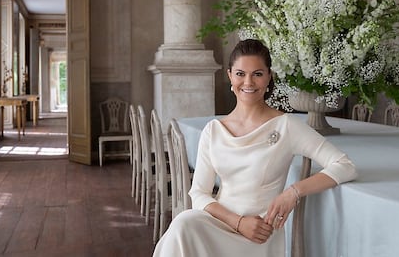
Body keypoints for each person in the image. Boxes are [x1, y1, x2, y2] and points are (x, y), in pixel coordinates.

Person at [153, 39, 357, 257]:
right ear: (230, 75)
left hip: (260, 233)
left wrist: (293, 192)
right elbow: (199, 194)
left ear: (269, 77)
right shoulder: (213, 130)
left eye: (257, 74)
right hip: (222, 223)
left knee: (182, 226)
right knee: (183, 224)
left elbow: (345, 166)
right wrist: (238, 222)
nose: (248, 82)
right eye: (241, 73)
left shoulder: (286, 126)